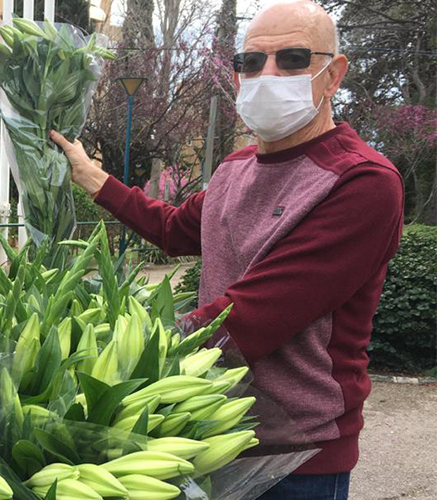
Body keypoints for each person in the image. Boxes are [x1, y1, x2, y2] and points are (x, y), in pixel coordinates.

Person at [50, 1, 404, 498]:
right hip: (205, 424)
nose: (268, 75)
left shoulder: (361, 182)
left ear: (333, 74)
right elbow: (175, 229)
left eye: (294, 59)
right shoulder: (235, 169)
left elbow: (253, 315)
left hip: (296, 455)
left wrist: (99, 350)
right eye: (252, 63)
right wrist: (95, 180)